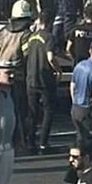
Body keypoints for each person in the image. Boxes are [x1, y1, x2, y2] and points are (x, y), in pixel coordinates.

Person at [0, 0, 34, 135]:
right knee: (19, 108)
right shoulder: (26, 35)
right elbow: (27, 56)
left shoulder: (1, 33)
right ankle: (20, 135)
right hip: (18, 77)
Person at [26, 10, 61, 154]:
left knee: (32, 112)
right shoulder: (49, 37)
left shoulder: (31, 37)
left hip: (31, 78)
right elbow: (51, 56)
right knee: (48, 111)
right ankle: (43, 143)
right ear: (49, 23)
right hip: (45, 79)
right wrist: (58, 70)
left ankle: (30, 142)